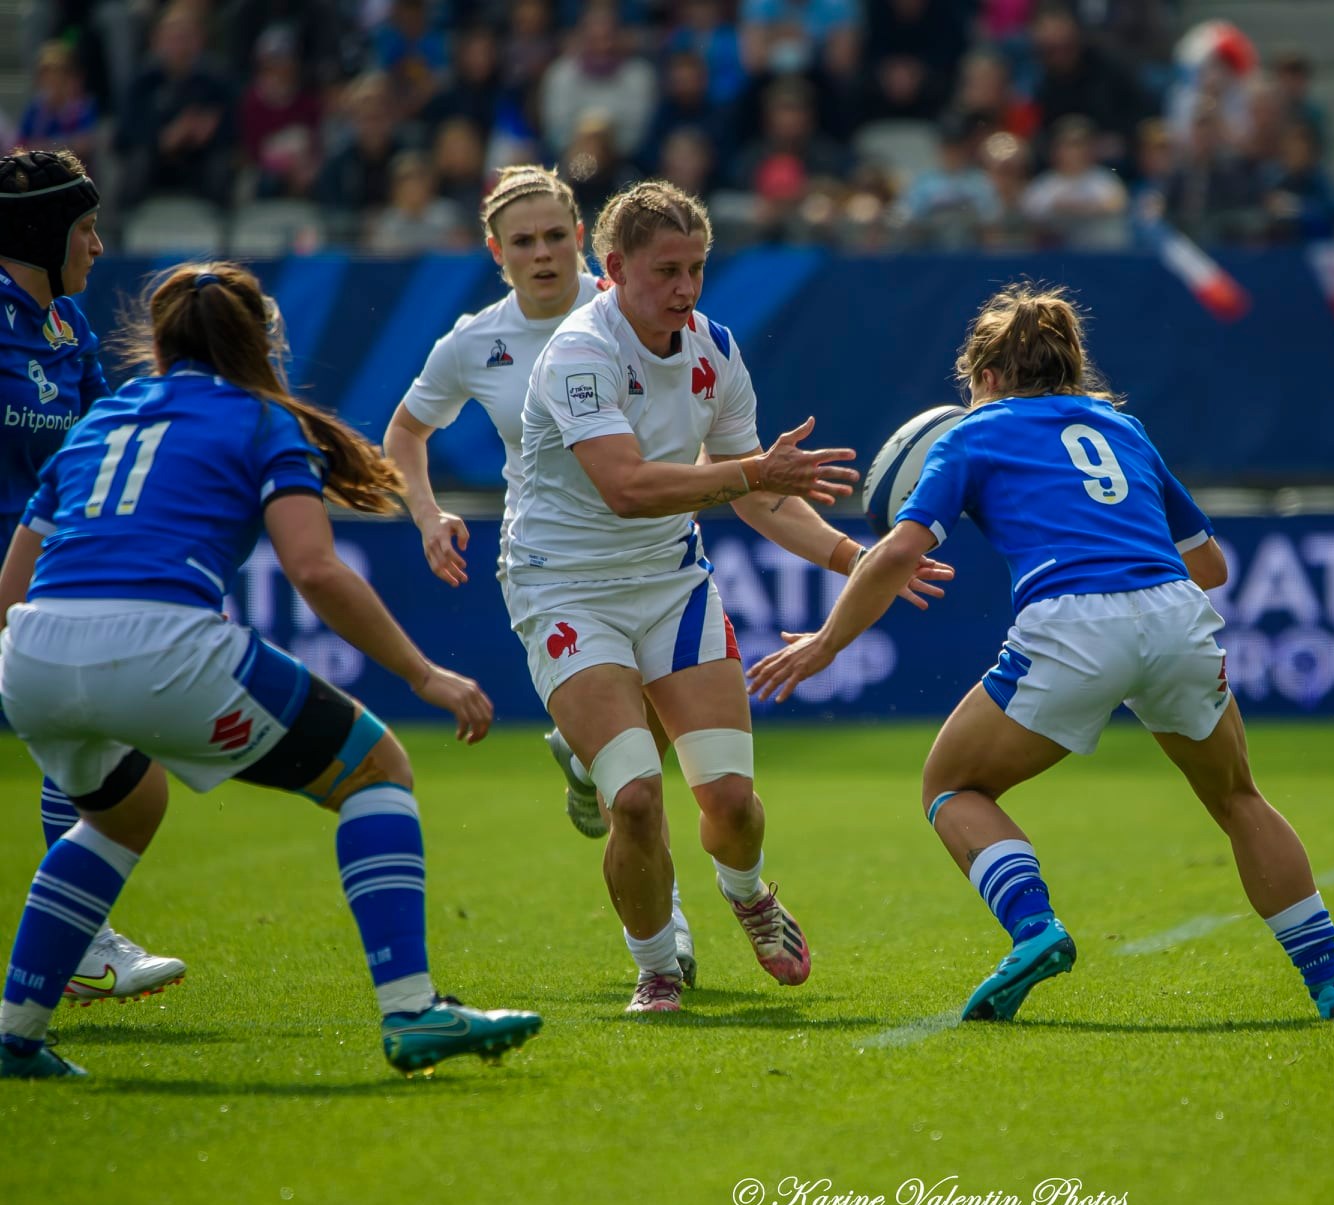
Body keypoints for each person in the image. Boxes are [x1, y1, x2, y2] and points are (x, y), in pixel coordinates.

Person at [749, 284, 1334, 1025]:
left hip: (1074, 623)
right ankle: (1332, 986)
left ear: (982, 378)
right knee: (1239, 799)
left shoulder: (971, 434)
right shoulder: (1124, 428)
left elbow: (898, 554)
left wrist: (827, 643)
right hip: (1176, 612)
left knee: (951, 787)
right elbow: (1210, 565)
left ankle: (1033, 928)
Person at [0, 260, 542, 1079]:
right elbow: (316, 570)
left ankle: (14, 1036)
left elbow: (10, 589)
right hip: (159, 644)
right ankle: (411, 1011)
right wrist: (423, 673)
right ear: (262, 340)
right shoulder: (260, 420)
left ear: (161, 340)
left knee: (119, 813)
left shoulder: (101, 418)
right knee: (376, 770)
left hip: (33, 654)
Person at [507, 179, 949, 1014]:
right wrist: (751, 471)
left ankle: (748, 894)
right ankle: (656, 969)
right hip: (565, 590)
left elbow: (762, 498)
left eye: (697, 269)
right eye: (665, 270)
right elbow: (628, 489)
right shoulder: (579, 355)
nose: (684, 288)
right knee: (635, 796)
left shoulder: (713, 348)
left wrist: (861, 558)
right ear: (612, 268)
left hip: (672, 585)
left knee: (733, 804)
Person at [381, 165, 699, 985]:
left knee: (653, 731)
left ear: (582, 236)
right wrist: (427, 515)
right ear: (496, 252)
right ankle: (666, 933)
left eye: (557, 234)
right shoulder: (473, 342)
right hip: (555, 564)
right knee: (639, 785)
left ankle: (586, 760)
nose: (544, 252)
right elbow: (404, 432)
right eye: (522, 241)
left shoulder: (632, 303)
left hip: (655, 553)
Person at [0, 150, 188, 1006]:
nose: (100, 247)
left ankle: (76, 944)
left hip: (45, 576)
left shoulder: (67, 330)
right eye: (84, 229)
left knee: (89, 738)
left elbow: (102, 439)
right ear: (39, 233)